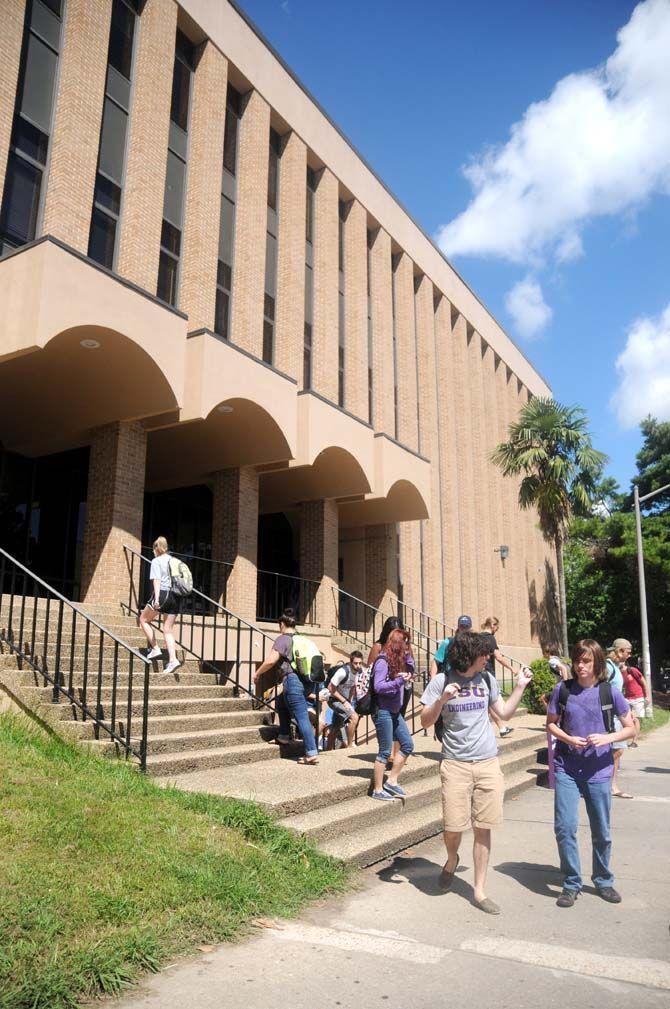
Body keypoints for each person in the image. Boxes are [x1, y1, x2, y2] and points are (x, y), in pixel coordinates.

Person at [420, 632, 533, 914]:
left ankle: (479, 891)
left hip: (487, 763)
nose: (488, 659)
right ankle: (451, 859)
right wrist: (442, 701)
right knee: (453, 827)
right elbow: (424, 720)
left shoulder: (486, 680)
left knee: (483, 827)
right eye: (484, 655)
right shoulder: (441, 682)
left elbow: (504, 714)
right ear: (470, 656)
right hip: (455, 764)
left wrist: (519, 686)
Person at [546, 638, 635, 908]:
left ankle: (603, 879)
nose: (581, 665)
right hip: (567, 768)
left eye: (586, 661)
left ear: (597, 662)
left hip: (598, 769)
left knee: (601, 830)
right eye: (577, 660)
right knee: (565, 827)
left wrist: (608, 739)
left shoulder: (609, 692)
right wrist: (569, 739)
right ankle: (571, 882)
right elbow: (551, 724)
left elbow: (631, 728)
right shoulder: (562, 690)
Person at [252, 608, 319, 765]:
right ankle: (283, 736)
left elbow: (271, 660)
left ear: (282, 624)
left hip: (293, 680)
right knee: (281, 702)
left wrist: (257, 673)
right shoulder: (302, 639)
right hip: (306, 682)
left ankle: (311, 752)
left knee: (302, 716)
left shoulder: (283, 639)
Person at [370, 629, 415, 801]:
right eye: (405, 642)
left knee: (407, 745)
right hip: (384, 711)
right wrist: (398, 681)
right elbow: (378, 686)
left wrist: (408, 656)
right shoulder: (382, 661)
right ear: (397, 643)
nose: (407, 646)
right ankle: (378, 789)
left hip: (395, 713)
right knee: (384, 752)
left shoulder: (399, 660)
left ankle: (392, 781)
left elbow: (412, 669)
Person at [139, 536, 181, 675]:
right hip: (175, 597)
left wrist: (156, 599)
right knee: (167, 630)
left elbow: (156, 581)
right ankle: (173, 659)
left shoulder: (156, 561)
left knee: (143, 620)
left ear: (157, 548)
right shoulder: (174, 560)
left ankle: (155, 648)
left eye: (153, 549)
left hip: (162, 594)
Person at [539, 647, 570, 789]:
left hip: (562, 688)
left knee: (544, 698)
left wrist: (565, 684)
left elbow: (563, 669)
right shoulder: (558, 658)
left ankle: (551, 717)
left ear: (547, 652)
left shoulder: (552, 661)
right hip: (563, 688)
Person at [480, 616, 517, 738]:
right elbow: (499, 657)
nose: (497, 630)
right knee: (494, 702)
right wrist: (511, 668)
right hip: (488, 674)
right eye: (497, 627)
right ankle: (501, 727)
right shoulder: (490, 639)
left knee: (487, 702)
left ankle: (501, 728)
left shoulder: (478, 637)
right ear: (492, 625)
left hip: (478, 673)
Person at [607, 639, 633, 798]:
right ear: (620, 651)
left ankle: (611, 786)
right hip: (611, 717)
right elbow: (598, 688)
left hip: (617, 715)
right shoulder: (608, 667)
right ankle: (609, 786)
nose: (630, 655)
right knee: (616, 751)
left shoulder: (614, 667)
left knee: (617, 751)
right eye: (628, 651)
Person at [327, 650, 363, 749]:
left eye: (360, 663)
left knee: (336, 727)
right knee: (354, 717)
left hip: (345, 700)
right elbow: (330, 688)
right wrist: (344, 701)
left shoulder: (358, 672)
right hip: (333, 699)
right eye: (355, 663)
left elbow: (352, 686)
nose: (358, 665)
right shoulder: (343, 671)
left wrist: (350, 700)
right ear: (351, 662)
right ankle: (350, 747)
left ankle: (328, 750)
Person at [430, 615, 472, 680]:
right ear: (458, 627)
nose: (464, 629)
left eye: (466, 627)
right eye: (462, 626)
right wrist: (433, 679)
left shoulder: (473, 644)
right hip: (448, 679)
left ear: (470, 628)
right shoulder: (448, 642)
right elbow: (436, 661)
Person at [622, 657, 647, 746]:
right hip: (627, 698)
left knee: (636, 719)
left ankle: (634, 741)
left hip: (638, 697)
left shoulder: (632, 670)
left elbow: (644, 682)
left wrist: (647, 696)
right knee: (625, 718)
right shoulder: (618, 673)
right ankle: (624, 739)